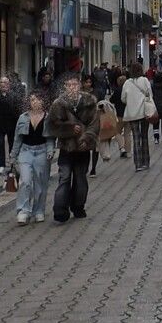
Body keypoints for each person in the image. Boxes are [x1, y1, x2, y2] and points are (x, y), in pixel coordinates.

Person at [49, 76, 98, 222]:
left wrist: (86, 138)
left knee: (80, 178)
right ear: (65, 87)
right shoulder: (58, 104)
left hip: (83, 148)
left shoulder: (89, 102)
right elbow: (53, 125)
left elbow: (94, 124)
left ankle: (78, 207)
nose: (72, 88)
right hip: (67, 148)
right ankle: (60, 209)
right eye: (69, 85)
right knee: (64, 177)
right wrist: (69, 128)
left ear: (79, 86)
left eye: (75, 84)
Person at [8, 89, 52, 224]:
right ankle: (23, 211)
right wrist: (13, 155)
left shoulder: (48, 117)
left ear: (43, 101)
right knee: (25, 181)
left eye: (37, 99)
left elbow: (50, 137)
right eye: (32, 100)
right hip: (25, 151)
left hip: (42, 151)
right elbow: (17, 138)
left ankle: (38, 210)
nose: (35, 102)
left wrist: (50, 151)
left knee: (40, 184)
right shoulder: (23, 117)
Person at [0, 75, 22, 177]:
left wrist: (17, 121)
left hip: (11, 124)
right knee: (1, 143)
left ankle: (12, 164)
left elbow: (18, 109)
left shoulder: (14, 96)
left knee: (12, 145)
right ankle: (1, 164)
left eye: (5, 82)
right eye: (1, 82)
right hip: (0, 124)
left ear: (9, 84)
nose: (3, 84)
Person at [120, 61, 156, 159]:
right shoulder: (145, 80)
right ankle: (145, 160)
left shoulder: (127, 83)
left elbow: (123, 98)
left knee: (136, 137)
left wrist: (131, 101)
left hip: (132, 113)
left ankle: (138, 162)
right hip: (144, 112)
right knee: (144, 136)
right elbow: (150, 94)